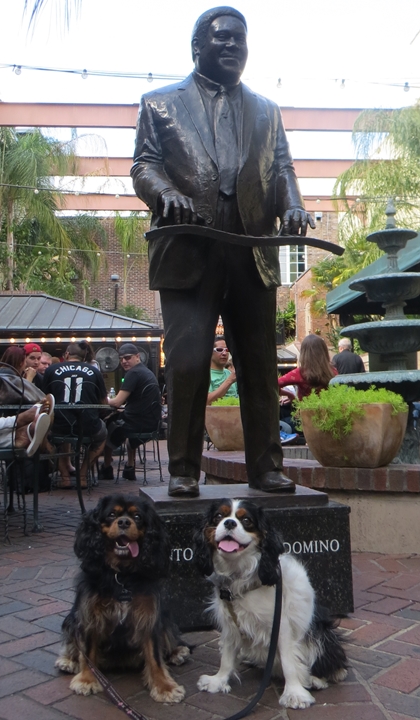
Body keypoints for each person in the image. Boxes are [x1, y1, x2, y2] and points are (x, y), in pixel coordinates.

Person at [131, 7, 314, 496]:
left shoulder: (266, 110)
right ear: (198, 47)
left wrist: (293, 207)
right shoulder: (159, 104)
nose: (233, 45)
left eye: (241, 39)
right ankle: (184, 470)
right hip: (189, 250)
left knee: (258, 365)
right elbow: (144, 166)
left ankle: (267, 467)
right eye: (222, 38)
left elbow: (282, 170)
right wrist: (163, 193)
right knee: (189, 364)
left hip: (252, 252)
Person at [43, 342, 108, 488]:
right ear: (84, 356)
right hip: (87, 426)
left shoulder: (51, 370)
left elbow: (44, 398)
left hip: (59, 426)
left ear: (66, 354)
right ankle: (83, 476)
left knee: (44, 436)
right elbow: (103, 402)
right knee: (102, 435)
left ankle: (64, 476)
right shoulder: (94, 371)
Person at [100, 343, 161, 483]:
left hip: (136, 424)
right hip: (151, 423)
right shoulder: (146, 372)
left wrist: (103, 399)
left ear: (137, 356)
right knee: (117, 422)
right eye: (121, 359)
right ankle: (129, 467)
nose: (124, 362)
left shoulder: (133, 373)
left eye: (127, 358)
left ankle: (107, 467)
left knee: (105, 427)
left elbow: (116, 403)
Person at [278, 334, 337, 401]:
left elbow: (274, 384)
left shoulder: (299, 373)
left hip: (306, 410)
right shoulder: (333, 372)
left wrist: (290, 395)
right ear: (324, 352)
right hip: (330, 410)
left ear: (304, 353)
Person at [207, 337, 238, 404]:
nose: (224, 353)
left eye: (227, 350)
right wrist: (229, 381)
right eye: (219, 349)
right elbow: (207, 400)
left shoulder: (230, 374)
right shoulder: (205, 375)